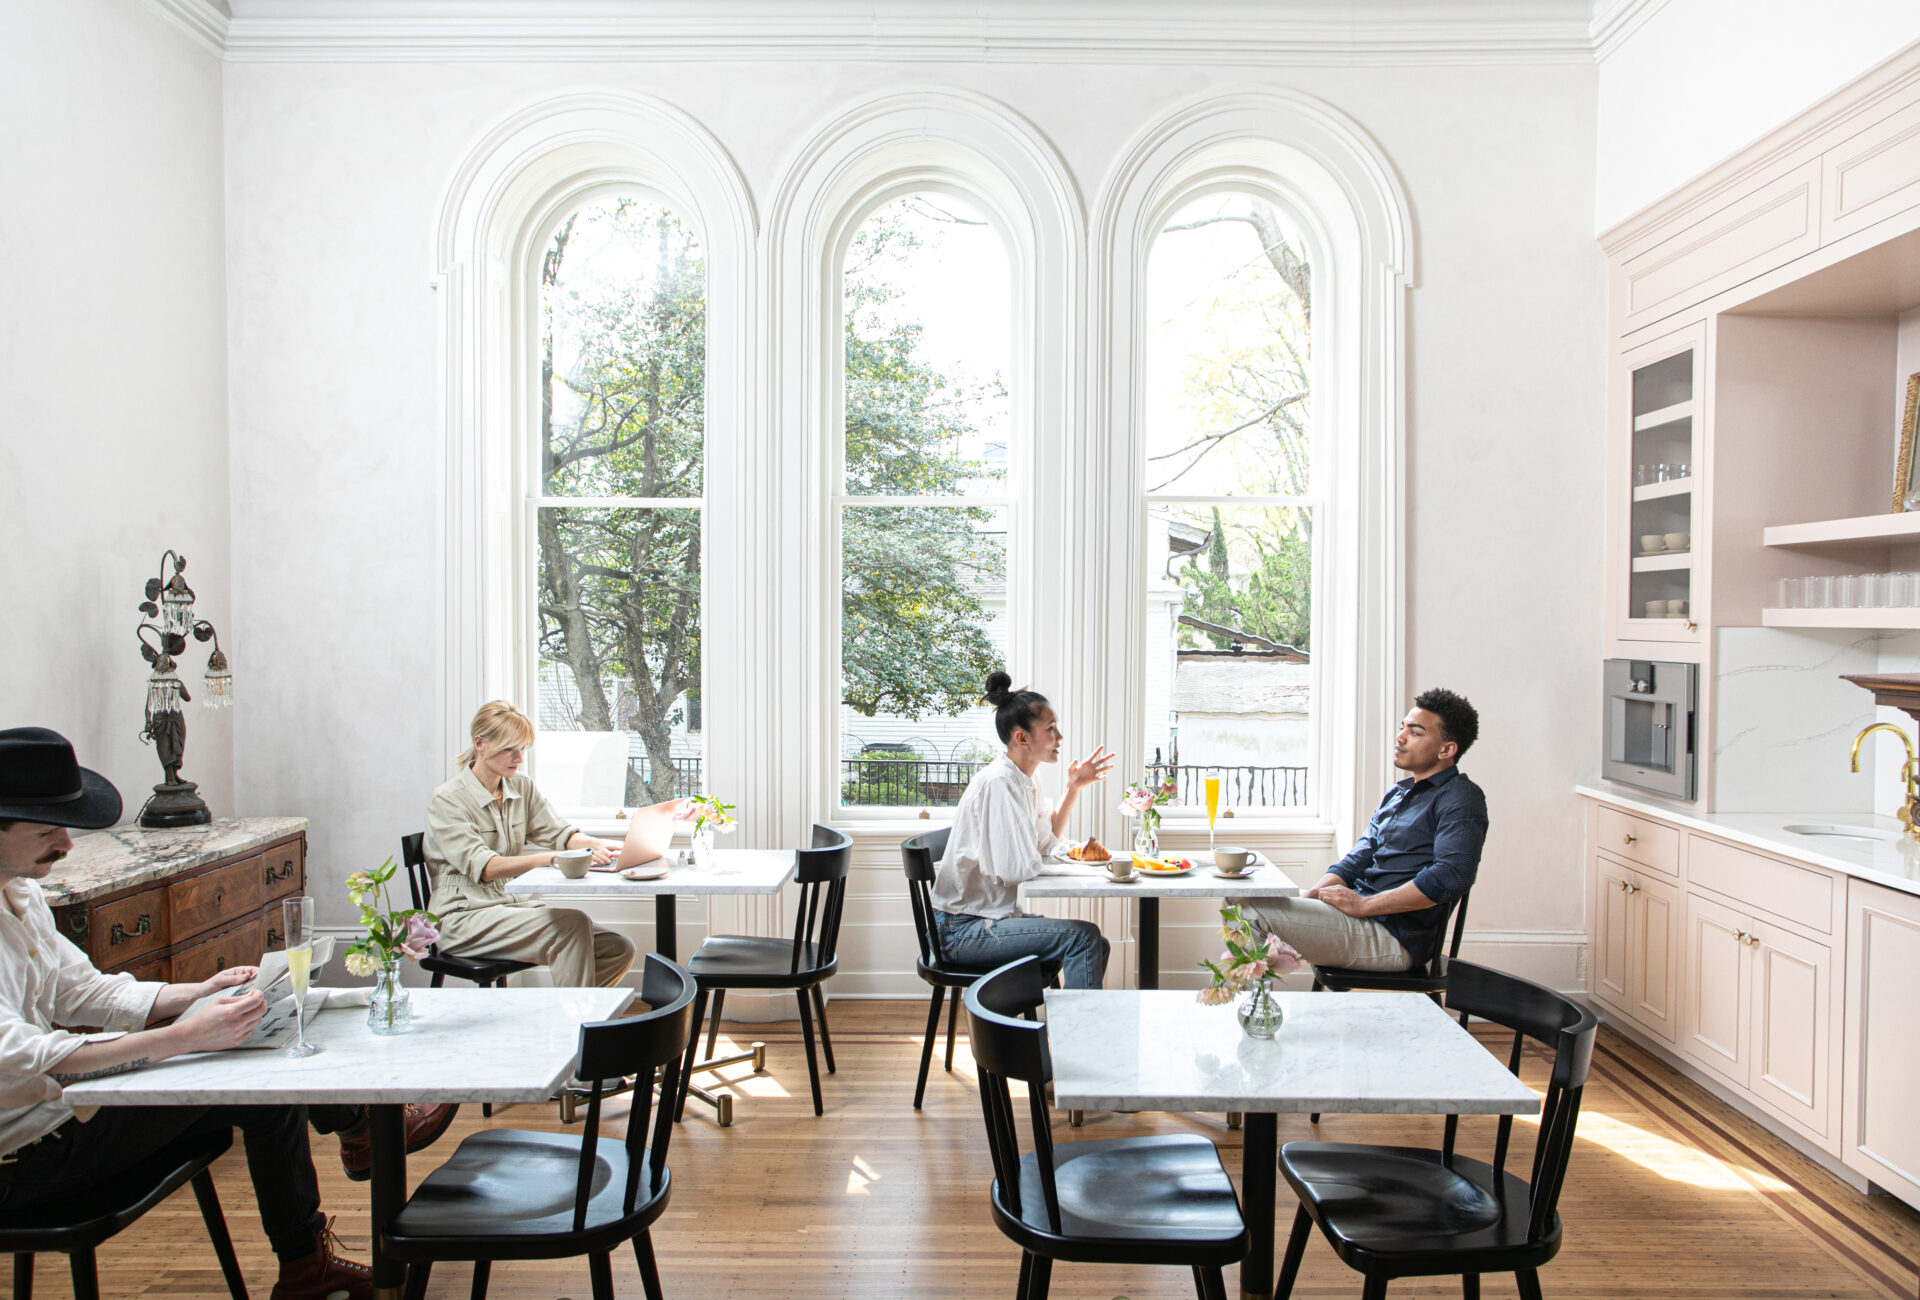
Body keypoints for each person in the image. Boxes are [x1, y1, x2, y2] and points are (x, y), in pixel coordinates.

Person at [0, 727, 450, 1300]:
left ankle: (313, 1246)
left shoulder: (22, 893)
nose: (65, 844)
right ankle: (353, 1149)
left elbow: (83, 992)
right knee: (254, 1076)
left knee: (261, 1069)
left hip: (60, 1118)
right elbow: (24, 1061)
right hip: (26, 1159)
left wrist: (196, 992)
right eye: (46, 831)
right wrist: (183, 1038)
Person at [425, 701, 685, 988]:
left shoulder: (520, 787)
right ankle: (573, 1027)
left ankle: (567, 1018)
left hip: (511, 907)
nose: (519, 758)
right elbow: (486, 868)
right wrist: (552, 858)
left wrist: (604, 844)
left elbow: (560, 834)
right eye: (510, 749)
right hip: (463, 919)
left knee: (617, 948)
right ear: (480, 744)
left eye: (523, 748)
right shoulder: (448, 800)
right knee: (571, 925)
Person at [1233, 688, 1487, 974]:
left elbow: (1451, 875)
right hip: (1357, 916)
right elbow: (1355, 861)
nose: (1400, 738)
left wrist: (1365, 905)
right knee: (1238, 898)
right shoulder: (1398, 795)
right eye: (1402, 728)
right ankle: (1258, 1003)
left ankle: (1256, 1010)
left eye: (1414, 733)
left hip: (1394, 937)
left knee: (1248, 912)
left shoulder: (1461, 797)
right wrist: (1312, 897)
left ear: (1446, 749)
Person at [931, 672, 1116, 989]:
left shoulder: (1025, 778)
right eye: (1050, 729)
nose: (1059, 737)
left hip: (988, 917)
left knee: (1097, 944)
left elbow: (1044, 843)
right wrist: (1082, 868)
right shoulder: (1000, 783)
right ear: (1022, 738)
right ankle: (1075, 1038)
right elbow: (1015, 869)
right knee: (1084, 939)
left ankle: (1065, 1034)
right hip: (963, 929)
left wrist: (1073, 788)